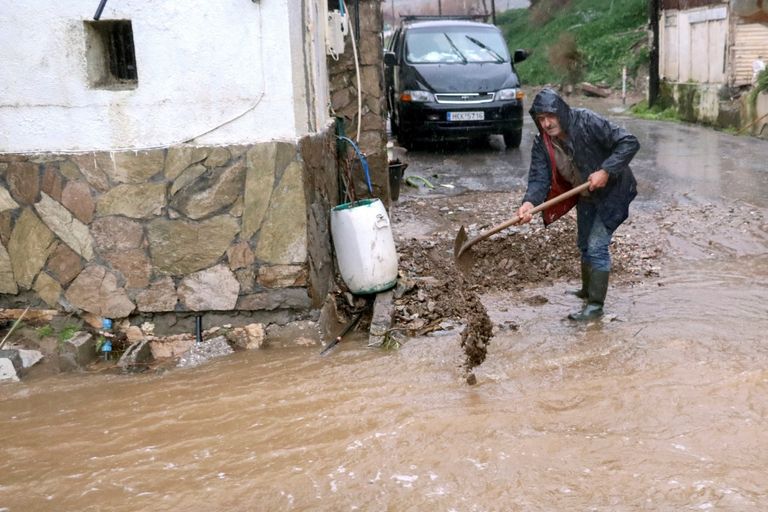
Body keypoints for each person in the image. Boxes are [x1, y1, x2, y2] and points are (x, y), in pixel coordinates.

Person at [516, 88, 640, 321]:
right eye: (541, 119)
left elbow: (629, 142)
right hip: (585, 195)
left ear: (561, 112)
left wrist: (606, 170)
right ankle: (586, 291)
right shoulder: (543, 143)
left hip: (614, 192)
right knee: (583, 244)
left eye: (550, 116)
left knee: (596, 247)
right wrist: (529, 202)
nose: (546, 123)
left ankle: (595, 307)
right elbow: (539, 178)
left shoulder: (587, 122)